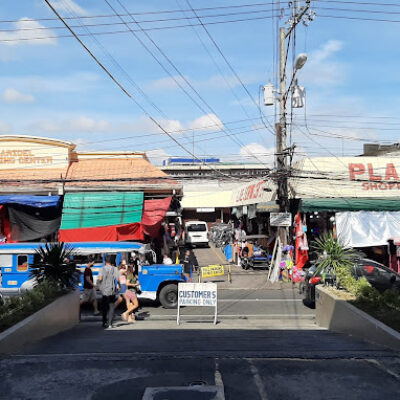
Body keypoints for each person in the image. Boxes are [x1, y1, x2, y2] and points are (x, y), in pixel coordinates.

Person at [98, 255, 119, 329]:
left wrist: (98, 284)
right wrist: (118, 285)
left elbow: (100, 279)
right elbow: (118, 279)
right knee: (111, 306)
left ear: (105, 261)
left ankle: (104, 322)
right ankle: (110, 323)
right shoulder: (115, 269)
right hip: (112, 290)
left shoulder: (102, 269)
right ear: (111, 261)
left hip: (104, 291)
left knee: (104, 307)